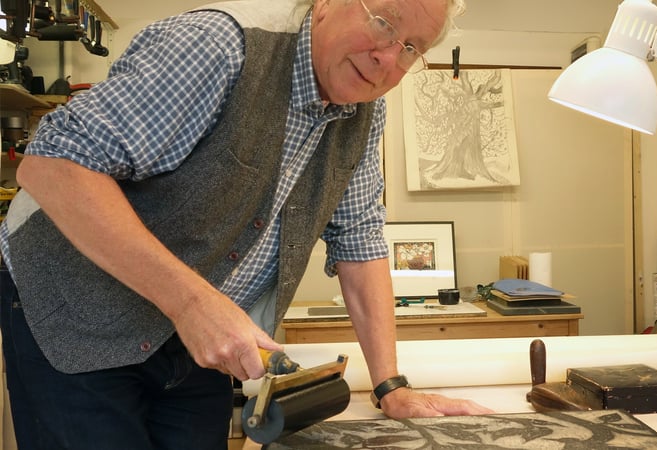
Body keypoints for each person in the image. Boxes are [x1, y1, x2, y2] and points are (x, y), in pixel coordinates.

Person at [0, 0, 493, 448]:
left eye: (412, 48)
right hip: (73, 302)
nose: (388, 57)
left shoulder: (365, 110)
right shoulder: (219, 44)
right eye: (384, 23)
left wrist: (390, 385)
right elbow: (52, 166)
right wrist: (192, 303)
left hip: (193, 337)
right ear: (325, 4)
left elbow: (359, 238)